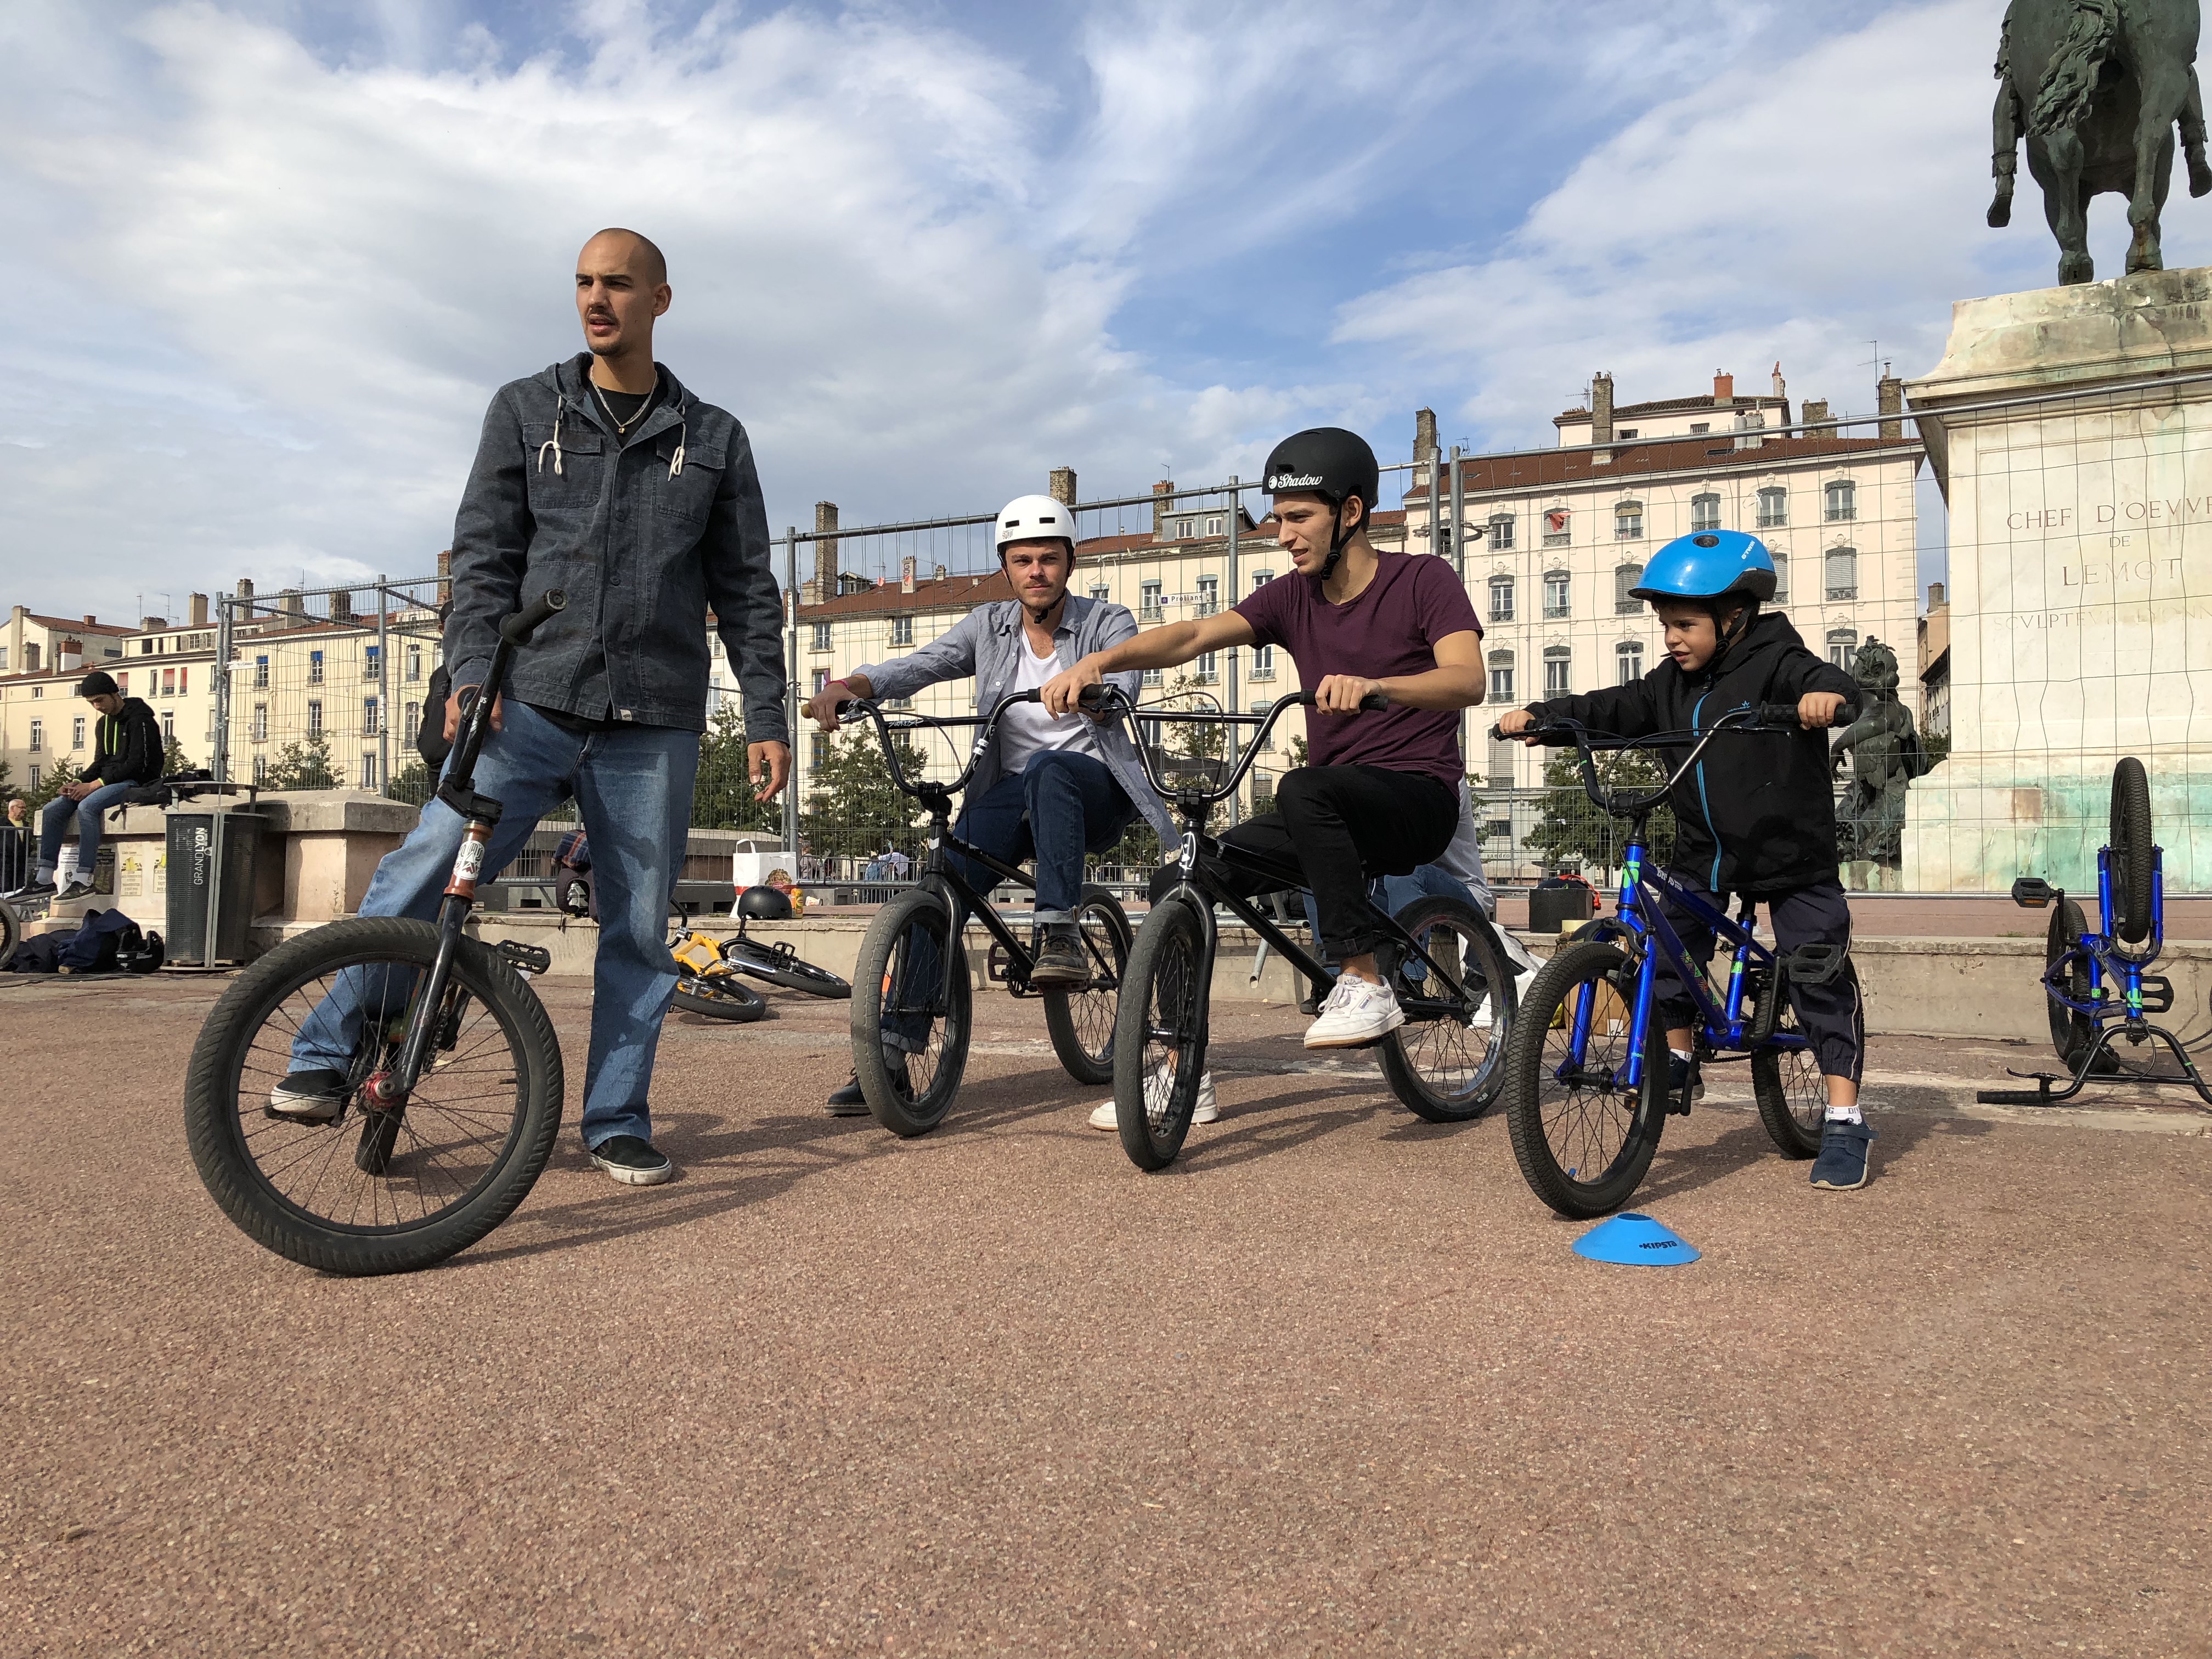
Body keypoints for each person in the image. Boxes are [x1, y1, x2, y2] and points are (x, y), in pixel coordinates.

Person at [270, 228, 789, 1188]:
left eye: (619, 284)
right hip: (527, 700)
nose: (598, 299)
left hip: (655, 718)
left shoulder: (714, 437)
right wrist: (474, 668)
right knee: (422, 870)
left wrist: (768, 715)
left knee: (636, 929)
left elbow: (748, 589)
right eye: (585, 282)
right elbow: (482, 555)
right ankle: (324, 1050)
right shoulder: (524, 408)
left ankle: (616, 1120)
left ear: (660, 301)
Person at [1046, 426, 1487, 1091]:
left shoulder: (1423, 577)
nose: (1283, 534)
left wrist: (1378, 688)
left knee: (1306, 788)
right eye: (1278, 519)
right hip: (1331, 810)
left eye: (1298, 517)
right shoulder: (1291, 596)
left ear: (1352, 512)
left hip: (1416, 797)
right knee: (1183, 881)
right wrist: (1102, 659)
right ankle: (1180, 1074)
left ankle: (1362, 978)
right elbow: (1193, 634)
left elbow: (1467, 679)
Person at [1495, 528, 1874, 1192]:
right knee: (1665, 952)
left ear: (1735, 618)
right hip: (1707, 855)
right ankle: (1674, 1063)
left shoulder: (1779, 662)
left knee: (1816, 971)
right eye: (1666, 623)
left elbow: (1828, 679)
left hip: (1792, 855)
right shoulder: (1668, 684)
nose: (1672, 637)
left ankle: (1843, 1118)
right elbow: (1610, 708)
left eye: (1686, 624)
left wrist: (1829, 701)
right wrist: (1545, 718)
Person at [806, 491, 1175, 1116]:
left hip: (1097, 791)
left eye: (1050, 559)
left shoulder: (1108, 623)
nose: (1037, 571)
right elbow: (921, 666)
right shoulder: (988, 625)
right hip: (1016, 791)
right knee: (941, 886)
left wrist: (1089, 689)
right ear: (1006, 566)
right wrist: (850, 686)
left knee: (1054, 767)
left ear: (1070, 564)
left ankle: (1058, 931)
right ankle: (892, 1057)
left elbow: (1122, 690)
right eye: (1024, 559)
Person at [7, 672, 162, 902]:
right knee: (53, 810)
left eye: (99, 700)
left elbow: (137, 765)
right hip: (106, 781)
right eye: (91, 703)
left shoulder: (140, 720)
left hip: (135, 783)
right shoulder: (104, 724)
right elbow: (100, 762)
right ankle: (44, 879)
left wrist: (94, 786)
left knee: (88, 807)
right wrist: (78, 782)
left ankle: (84, 878)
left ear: (114, 694)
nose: (96, 707)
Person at [1, 794, 30, 894]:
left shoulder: (26, 825)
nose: (24, 810)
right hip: (5, 863)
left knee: (18, 889)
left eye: (25, 808)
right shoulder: (2, 823)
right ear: (12, 808)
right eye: (21, 807)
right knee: (5, 888)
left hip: (21, 863)